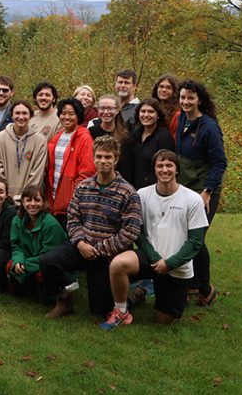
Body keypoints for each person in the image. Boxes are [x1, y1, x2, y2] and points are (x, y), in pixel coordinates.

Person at [101, 150, 208, 329]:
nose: (164, 170)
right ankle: (121, 311)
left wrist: (169, 263)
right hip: (150, 258)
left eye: (169, 165)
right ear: (154, 169)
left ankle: (142, 292)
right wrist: (155, 258)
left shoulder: (193, 199)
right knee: (118, 264)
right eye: (160, 165)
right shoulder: (142, 195)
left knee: (163, 319)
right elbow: (138, 232)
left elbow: (196, 241)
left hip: (176, 266)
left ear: (177, 170)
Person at [39, 136, 141, 318]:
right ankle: (64, 300)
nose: (103, 161)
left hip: (108, 254)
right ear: (93, 158)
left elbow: (130, 232)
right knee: (48, 261)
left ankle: (133, 297)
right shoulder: (83, 187)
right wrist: (80, 243)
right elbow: (73, 218)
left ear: (116, 159)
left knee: (100, 310)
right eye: (99, 156)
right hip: (83, 246)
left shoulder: (128, 192)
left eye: (108, 157)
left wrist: (99, 249)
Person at [175, 79, 227, 307]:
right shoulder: (182, 119)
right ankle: (193, 283)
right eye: (183, 97)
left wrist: (207, 192)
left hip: (204, 190)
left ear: (200, 100)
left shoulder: (209, 127)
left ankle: (205, 290)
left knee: (196, 239)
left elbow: (220, 162)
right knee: (186, 237)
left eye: (191, 98)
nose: (186, 101)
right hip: (185, 187)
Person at [8, 185, 67, 300]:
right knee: (11, 264)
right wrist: (18, 261)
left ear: (43, 202)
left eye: (37, 200)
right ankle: (23, 293)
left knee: (40, 272)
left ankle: (51, 296)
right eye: (28, 200)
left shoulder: (51, 224)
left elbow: (49, 255)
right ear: (23, 203)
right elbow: (16, 246)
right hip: (31, 259)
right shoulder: (16, 221)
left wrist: (25, 263)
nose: (33, 204)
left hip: (51, 263)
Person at [46, 98, 95, 230]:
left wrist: (71, 197)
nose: (66, 117)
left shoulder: (84, 137)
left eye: (71, 113)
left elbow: (87, 172)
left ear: (78, 115)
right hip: (55, 198)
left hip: (70, 203)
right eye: (63, 113)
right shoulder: (58, 136)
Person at [0, 99, 47, 204]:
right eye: (17, 113)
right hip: (3, 200)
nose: (21, 117)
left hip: (28, 202)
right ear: (12, 116)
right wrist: (4, 195)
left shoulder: (40, 141)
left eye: (25, 113)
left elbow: (37, 174)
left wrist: (24, 197)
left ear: (31, 116)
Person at [129, 98, 175, 190]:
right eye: (143, 111)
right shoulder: (134, 134)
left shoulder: (164, 137)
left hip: (154, 190)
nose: (146, 115)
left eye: (150, 112)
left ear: (158, 115)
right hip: (133, 189)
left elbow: (166, 166)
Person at [87, 94, 135, 181]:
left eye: (110, 108)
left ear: (117, 110)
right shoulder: (90, 132)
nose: (106, 112)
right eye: (102, 108)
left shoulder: (125, 137)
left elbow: (127, 168)